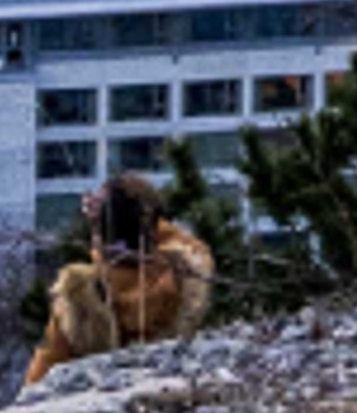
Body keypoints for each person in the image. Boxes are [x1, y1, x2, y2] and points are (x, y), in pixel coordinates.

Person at [22, 169, 215, 397]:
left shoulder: (84, 294)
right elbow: (175, 239)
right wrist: (130, 208)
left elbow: (42, 373)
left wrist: (105, 221)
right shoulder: (183, 273)